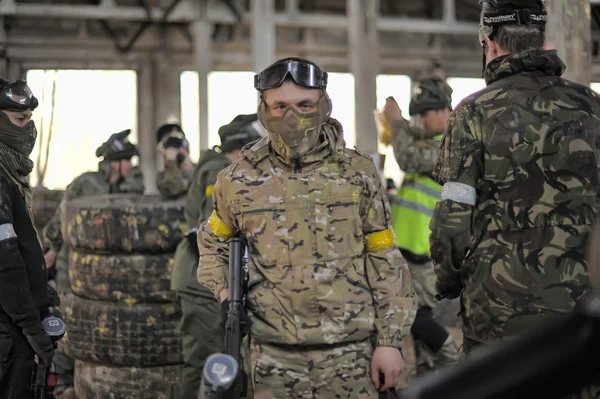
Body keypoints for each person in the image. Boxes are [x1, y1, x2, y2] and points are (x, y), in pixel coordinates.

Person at [197, 57, 416, 397]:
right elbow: (212, 244)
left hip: (351, 356)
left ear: (324, 105)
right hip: (272, 360)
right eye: (279, 106)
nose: (292, 117)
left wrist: (389, 342)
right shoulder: (238, 179)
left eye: (304, 105)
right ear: (264, 110)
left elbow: (384, 256)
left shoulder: (357, 173)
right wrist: (227, 297)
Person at [430, 0, 600, 353]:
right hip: (582, 309)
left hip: (498, 311)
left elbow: (453, 219)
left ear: (489, 42)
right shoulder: (591, 106)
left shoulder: (473, 112)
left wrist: (449, 281)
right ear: (540, 38)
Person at [42, 128, 144, 397]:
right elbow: (61, 220)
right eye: (127, 161)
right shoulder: (86, 184)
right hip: (73, 265)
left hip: (104, 273)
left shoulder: (123, 187)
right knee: (72, 321)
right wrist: (52, 249)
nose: (131, 167)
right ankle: (59, 381)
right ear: (115, 162)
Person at [172, 114, 262, 399]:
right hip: (202, 282)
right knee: (204, 362)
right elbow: (212, 233)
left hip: (212, 279)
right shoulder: (218, 171)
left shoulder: (224, 169)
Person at [384, 78, 460, 376]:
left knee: (417, 316)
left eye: (426, 113)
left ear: (444, 112)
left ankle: (454, 364)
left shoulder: (448, 147)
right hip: (410, 245)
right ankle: (432, 378)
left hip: (425, 248)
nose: (421, 121)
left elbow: (408, 158)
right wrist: (401, 123)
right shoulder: (431, 140)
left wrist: (397, 122)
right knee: (415, 320)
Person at [0, 79, 57, 397]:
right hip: (8, 332)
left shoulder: (10, 174)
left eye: (30, 120)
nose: (29, 130)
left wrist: (41, 294)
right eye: (20, 120)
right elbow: (5, 262)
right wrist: (33, 329)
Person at [156, 123, 196, 199]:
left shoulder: (199, 171)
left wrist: (188, 166)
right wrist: (171, 163)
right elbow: (172, 189)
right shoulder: (161, 178)